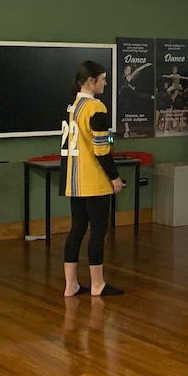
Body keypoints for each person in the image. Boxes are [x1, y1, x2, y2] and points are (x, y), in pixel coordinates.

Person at [61, 61, 125, 297]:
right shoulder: (96, 107)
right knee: (98, 230)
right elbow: (101, 149)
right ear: (91, 80)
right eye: (103, 79)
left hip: (73, 178)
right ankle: (98, 284)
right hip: (93, 180)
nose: (105, 83)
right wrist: (114, 177)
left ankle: (71, 284)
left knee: (77, 229)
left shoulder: (72, 105)